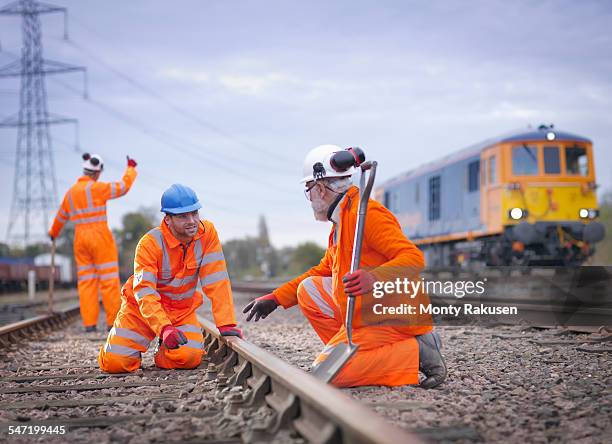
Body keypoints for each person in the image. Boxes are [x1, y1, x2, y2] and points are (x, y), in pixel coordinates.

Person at [243, 145, 446, 388]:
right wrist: (276, 298)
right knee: (308, 289)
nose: (310, 199)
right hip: (365, 316)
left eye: (309, 191)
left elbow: (413, 258)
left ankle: (415, 352)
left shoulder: (367, 214)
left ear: (320, 188)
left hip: (391, 318)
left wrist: (375, 277)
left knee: (327, 375)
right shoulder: (341, 222)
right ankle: (359, 353)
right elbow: (321, 271)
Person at [98, 184, 241, 373]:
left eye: (194, 213)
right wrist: (163, 327)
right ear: (168, 219)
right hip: (141, 312)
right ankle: (134, 347)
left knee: (188, 357)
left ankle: (162, 352)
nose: (191, 221)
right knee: (115, 363)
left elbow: (217, 280)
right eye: (183, 216)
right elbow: (145, 291)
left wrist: (226, 323)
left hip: (180, 311)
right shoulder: (149, 244)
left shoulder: (207, 235)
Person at [49, 153, 137, 332]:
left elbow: (61, 216)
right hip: (100, 237)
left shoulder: (71, 193)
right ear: (96, 173)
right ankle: (113, 322)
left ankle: (89, 325)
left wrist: (53, 233)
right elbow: (123, 187)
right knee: (109, 281)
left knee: (86, 282)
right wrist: (130, 169)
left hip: (80, 240)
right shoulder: (98, 188)